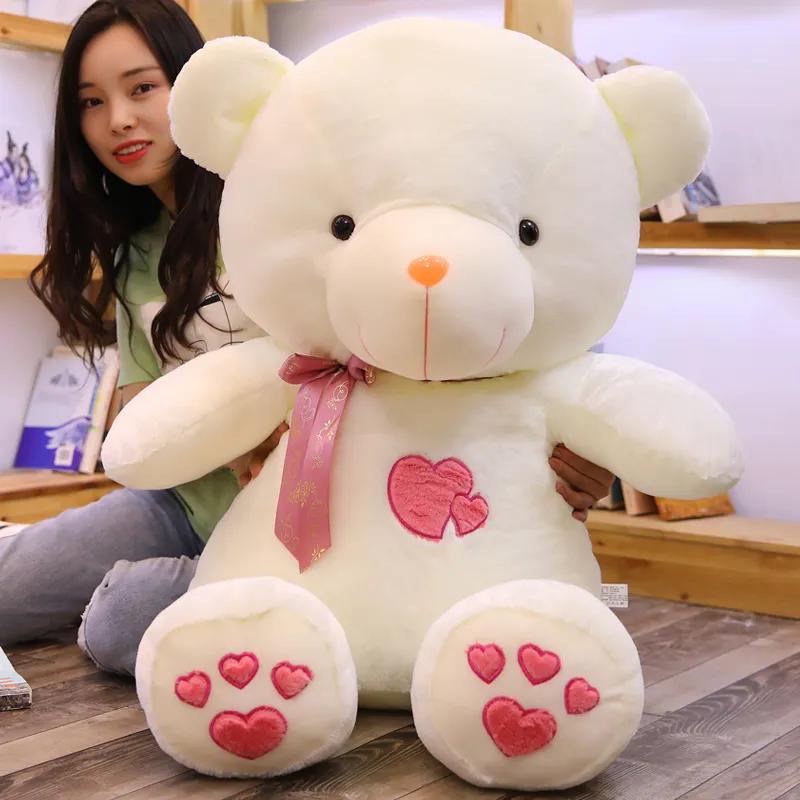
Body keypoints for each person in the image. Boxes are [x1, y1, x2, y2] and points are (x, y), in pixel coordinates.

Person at [0, 0, 613, 677]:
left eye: (142, 87)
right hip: (184, 503)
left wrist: (576, 441)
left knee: (122, 621)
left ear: (194, 87)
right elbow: (138, 411)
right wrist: (224, 436)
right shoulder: (135, 254)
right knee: (12, 588)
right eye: (90, 101)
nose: (117, 119)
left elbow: (481, 319)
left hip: (328, 518)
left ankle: (208, 600)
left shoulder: (295, 211)